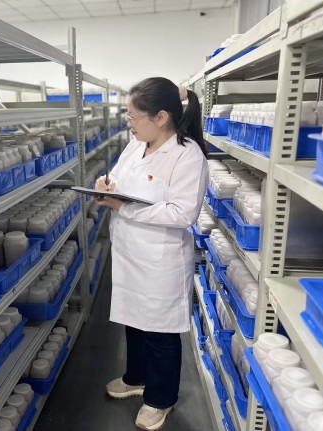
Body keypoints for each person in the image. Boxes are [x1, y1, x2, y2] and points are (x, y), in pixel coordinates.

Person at [95, 77, 208, 430]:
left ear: (161, 117)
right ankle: (137, 377)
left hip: (160, 261)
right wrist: (105, 185)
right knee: (134, 320)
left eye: (133, 116)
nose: (129, 123)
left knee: (160, 331)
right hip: (129, 252)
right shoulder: (136, 145)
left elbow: (182, 214)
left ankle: (160, 398)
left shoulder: (187, 155)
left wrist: (123, 208)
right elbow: (117, 177)